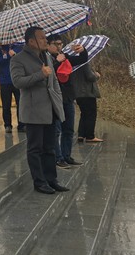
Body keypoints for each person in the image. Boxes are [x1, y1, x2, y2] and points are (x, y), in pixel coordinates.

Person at [10, 27, 70, 195]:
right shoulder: (18, 59)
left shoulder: (47, 56)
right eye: (42, 38)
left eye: (45, 37)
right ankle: (39, 182)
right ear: (31, 41)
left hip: (50, 109)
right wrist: (40, 74)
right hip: (33, 110)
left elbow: (54, 80)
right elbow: (18, 82)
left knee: (50, 147)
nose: (45, 40)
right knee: (35, 149)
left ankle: (51, 179)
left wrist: (58, 97)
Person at [47, 34, 88, 169]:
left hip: (68, 97)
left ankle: (66, 156)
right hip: (55, 99)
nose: (59, 46)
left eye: (60, 44)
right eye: (56, 44)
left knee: (69, 129)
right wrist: (57, 62)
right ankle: (58, 158)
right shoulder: (46, 58)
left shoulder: (65, 56)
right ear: (48, 45)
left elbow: (82, 59)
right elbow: (47, 75)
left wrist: (82, 50)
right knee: (56, 130)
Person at [0, 43, 24, 133]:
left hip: (17, 80)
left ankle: (22, 125)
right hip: (4, 81)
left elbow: (22, 60)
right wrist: (6, 56)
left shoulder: (17, 47)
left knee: (20, 103)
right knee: (6, 105)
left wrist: (14, 54)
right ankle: (7, 125)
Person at [72, 63, 103, 143]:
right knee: (91, 114)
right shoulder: (84, 63)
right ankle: (90, 136)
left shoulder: (75, 64)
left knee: (84, 114)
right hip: (87, 93)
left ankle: (81, 134)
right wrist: (96, 75)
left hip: (78, 93)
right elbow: (90, 77)